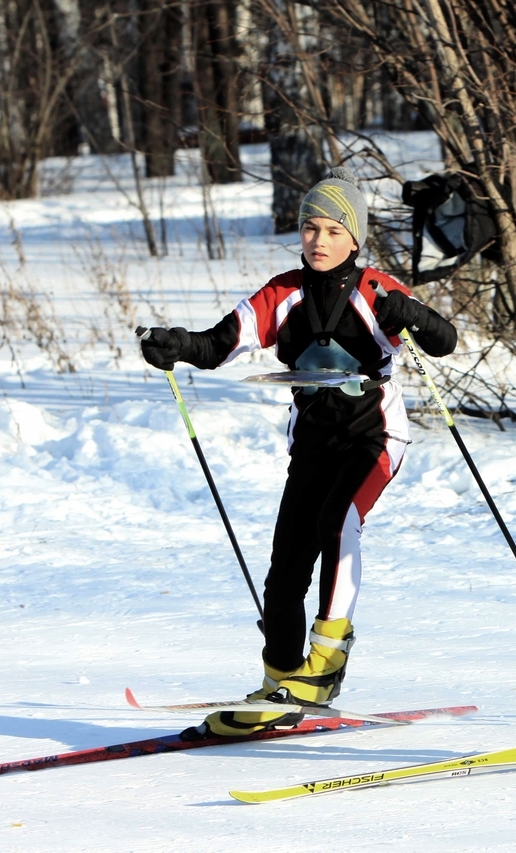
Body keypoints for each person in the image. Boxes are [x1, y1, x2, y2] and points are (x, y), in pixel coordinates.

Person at [138, 168, 458, 739]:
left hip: (375, 437)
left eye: (333, 230)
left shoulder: (376, 291)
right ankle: (281, 678)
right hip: (312, 442)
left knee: (339, 523)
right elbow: (217, 346)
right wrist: (175, 345)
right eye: (310, 228)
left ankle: (327, 661)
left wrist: (414, 315)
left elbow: (443, 340)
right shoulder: (282, 293)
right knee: (286, 564)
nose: (318, 240)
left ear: (353, 238)